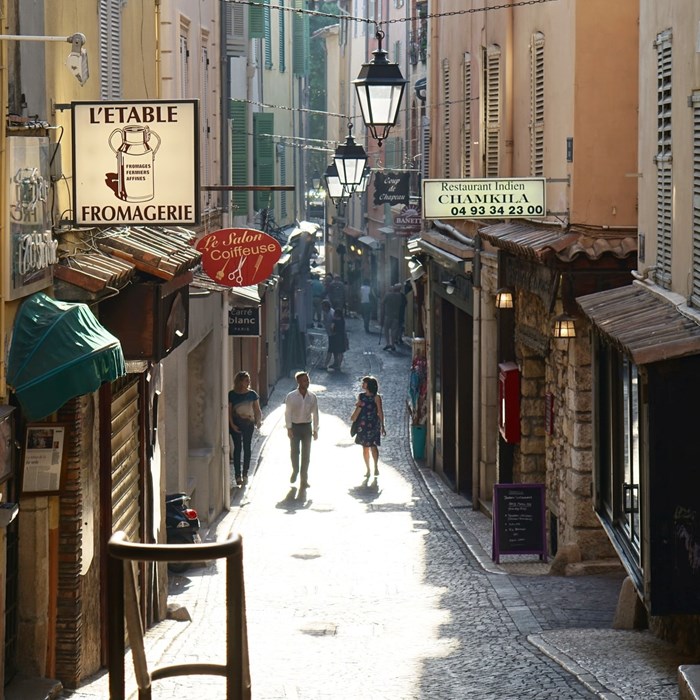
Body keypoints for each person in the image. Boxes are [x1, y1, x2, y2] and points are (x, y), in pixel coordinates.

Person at [284, 371, 319, 488]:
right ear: (298, 382)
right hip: (295, 427)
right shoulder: (291, 396)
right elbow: (287, 413)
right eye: (304, 380)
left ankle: (304, 479)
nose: (307, 382)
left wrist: (315, 430)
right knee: (294, 452)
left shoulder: (312, 397)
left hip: (307, 427)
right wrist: (289, 428)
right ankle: (295, 471)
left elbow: (315, 414)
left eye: (308, 380)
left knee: (306, 454)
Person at [228, 371, 262, 487]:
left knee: (247, 447)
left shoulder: (252, 394)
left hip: (248, 423)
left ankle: (245, 473)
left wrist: (258, 421)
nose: (249, 382)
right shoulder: (232, 394)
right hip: (236, 423)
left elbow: (257, 409)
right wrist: (232, 425)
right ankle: (237, 475)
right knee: (237, 448)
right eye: (246, 380)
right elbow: (229, 412)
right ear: (240, 381)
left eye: (249, 380)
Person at [350, 375, 386, 479]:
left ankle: (375, 466)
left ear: (369, 385)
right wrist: (358, 405)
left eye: (364, 383)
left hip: (373, 424)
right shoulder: (361, 396)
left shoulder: (376, 397)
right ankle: (368, 469)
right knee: (364, 447)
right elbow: (359, 408)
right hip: (362, 424)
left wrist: (382, 426)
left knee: (373, 446)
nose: (362, 384)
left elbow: (380, 411)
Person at [381, 283, 403, 351]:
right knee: (394, 331)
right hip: (396, 316)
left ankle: (388, 343)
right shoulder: (399, 296)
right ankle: (393, 344)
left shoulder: (387, 295)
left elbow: (382, 303)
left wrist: (382, 314)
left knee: (386, 329)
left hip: (388, 315)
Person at [321, 299, 335, 368]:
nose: (322, 308)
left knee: (330, 349)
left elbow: (333, 324)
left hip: (332, 334)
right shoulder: (327, 312)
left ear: (326, 307)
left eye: (323, 307)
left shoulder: (331, 313)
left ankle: (325, 365)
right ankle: (336, 363)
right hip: (330, 333)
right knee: (333, 349)